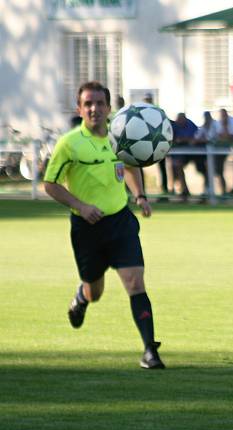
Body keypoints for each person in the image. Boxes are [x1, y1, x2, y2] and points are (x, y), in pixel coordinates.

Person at [43, 81, 165, 369]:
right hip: (87, 229)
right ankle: (82, 297)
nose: (94, 109)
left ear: (109, 108)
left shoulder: (120, 136)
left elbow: (132, 165)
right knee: (94, 291)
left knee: (135, 282)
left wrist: (140, 195)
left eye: (99, 103)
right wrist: (82, 207)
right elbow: (50, 184)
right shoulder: (69, 143)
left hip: (121, 222)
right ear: (79, 109)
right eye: (88, 104)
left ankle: (150, 350)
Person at [143, 93, 169, 197]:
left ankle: (165, 189)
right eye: (146, 99)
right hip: (144, 144)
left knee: (163, 168)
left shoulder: (158, 111)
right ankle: (140, 191)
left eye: (148, 99)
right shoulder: (141, 113)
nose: (147, 101)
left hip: (158, 144)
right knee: (136, 167)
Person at [169, 112, 199, 201]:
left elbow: (194, 138)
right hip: (178, 154)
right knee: (176, 165)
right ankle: (181, 189)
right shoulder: (175, 126)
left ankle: (184, 190)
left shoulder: (190, 125)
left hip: (194, 153)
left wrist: (182, 140)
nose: (179, 122)